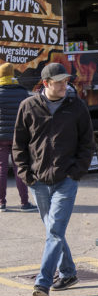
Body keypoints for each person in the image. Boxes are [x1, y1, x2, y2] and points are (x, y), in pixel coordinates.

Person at [13, 63, 94, 296]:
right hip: (38, 180)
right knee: (52, 230)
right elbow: (19, 144)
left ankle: (43, 282)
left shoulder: (76, 106)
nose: (64, 85)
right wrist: (25, 174)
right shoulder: (27, 106)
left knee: (55, 231)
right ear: (46, 83)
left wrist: (76, 172)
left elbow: (87, 143)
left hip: (66, 180)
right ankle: (68, 273)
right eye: (58, 82)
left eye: (65, 81)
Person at [0, 63, 35, 212]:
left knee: (1, 169)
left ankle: (2, 203)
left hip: (1, 137)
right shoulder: (21, 92)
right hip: (18, 137)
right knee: (19, 168)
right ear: (13, 73)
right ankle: (24, 203)